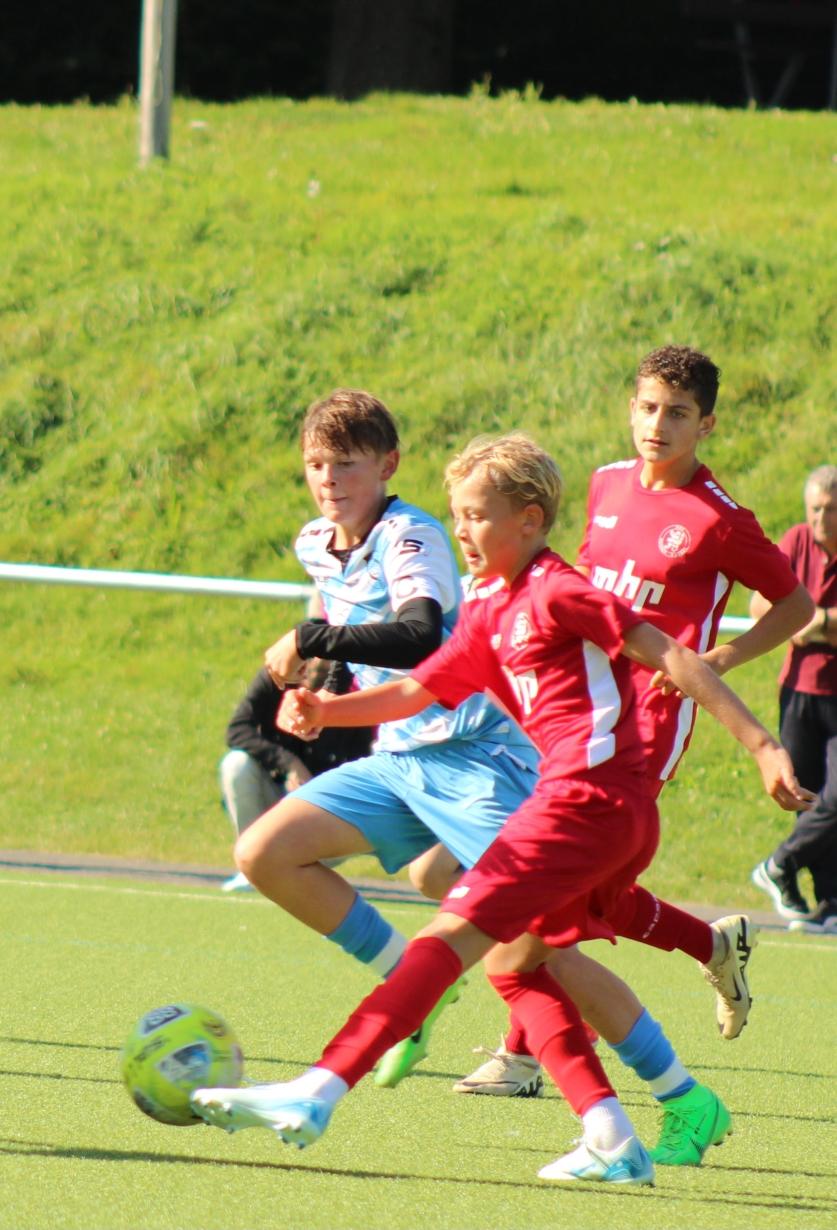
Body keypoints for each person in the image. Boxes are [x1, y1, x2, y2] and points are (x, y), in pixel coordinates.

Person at [194, 432, 811, 1187]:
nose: (461, 530)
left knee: (447, 938)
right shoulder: (489, 606)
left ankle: (317, 1091)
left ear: (530, 519)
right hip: (588, 811)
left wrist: (762, 746)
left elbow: (675, 656)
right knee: (515, 964)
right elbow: (419, 690)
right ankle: (613, 1135)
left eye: (476, 516)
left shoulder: (560, 591)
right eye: (456, 515)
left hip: (586, 805)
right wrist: (329, 710)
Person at [451, 347, 811, 1159]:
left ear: (705, 424)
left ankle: (525, 1054)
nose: (658, 424)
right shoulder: (607, 483)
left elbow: (795, 605)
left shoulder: (719, 518)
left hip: (652, 718)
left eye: (677, 413)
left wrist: (719, 661)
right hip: (579, 707)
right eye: (648, 407)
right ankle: (710, 947)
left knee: (564, 883)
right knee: (587, 894)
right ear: (631, 407)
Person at [235, 390, 542, 1087]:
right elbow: (343, 618)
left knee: (545, 926)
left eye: (346, 463)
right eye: (316, 464)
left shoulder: (412, 535)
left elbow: (418, 635)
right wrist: (318, 693)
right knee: (263, 853)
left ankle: (667, 1058)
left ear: (388, 464)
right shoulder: (314, 543)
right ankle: (412, 980)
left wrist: (310, 638)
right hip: (400, 758)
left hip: (478, 753)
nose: (329, 480)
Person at [751, 463, 837, 930]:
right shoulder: (796, 541)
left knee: (835, 798)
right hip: (799, 691)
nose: (821, 518)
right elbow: (760, 605)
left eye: (831, 509)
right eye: (815, 509)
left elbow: (799, 618)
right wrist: (821, 621)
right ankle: (829, 902)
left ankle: (779, 865)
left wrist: (811, 619)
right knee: (807, 797)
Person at [218, 658, 371, 890]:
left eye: (329, 658)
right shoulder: (277, 678)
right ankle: (253, 866)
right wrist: (288, 763)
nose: (319, 664)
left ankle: (304, 876)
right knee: (236, 764)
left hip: (327, 814)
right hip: (276, 800)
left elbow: (366, 766)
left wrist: (318, 791)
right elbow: (237, 730)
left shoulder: (356, 693)